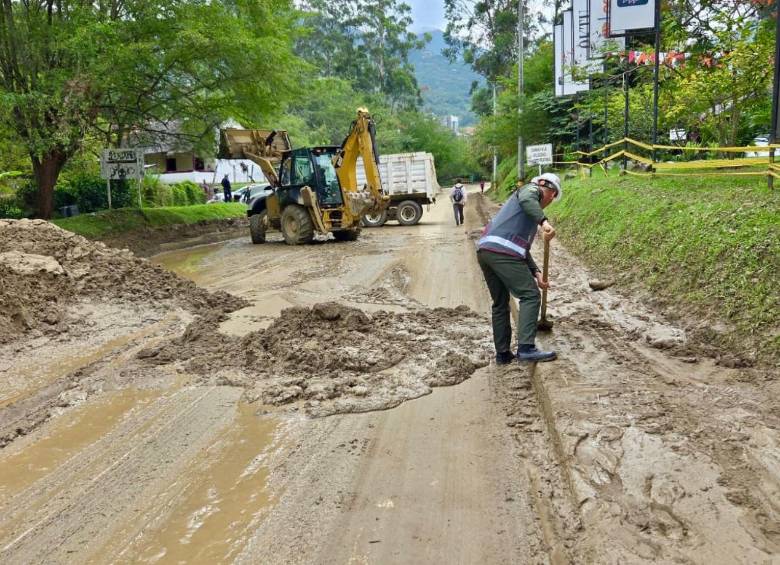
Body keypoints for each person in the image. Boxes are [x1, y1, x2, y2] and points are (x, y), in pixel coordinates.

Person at [476, 173, 562, 364]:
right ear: (551, 193)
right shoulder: (530, 191)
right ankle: (526, 348)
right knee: (530, 295)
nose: (549, 202)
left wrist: (536, 272)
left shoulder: (526, 212)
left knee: (500, 303)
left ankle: (503, 354)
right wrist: (544, 222)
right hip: (501, 253)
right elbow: (527, 198)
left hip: (487, 252)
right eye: (552, 198)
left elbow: (520, 247)